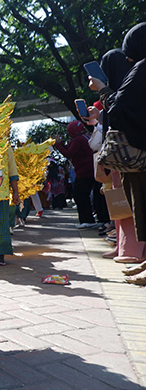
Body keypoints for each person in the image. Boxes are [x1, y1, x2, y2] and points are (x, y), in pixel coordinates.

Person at [89, 22, 146, 284]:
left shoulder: (142, 70)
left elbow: (120, 107)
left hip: (139, 152)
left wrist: (102, 88)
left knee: (140, 204)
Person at [54, 120, 109, 228]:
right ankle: (100, 218)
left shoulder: (78, 140)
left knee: (80, 196)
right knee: (93, 195)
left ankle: (87, 219)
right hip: (90, 170)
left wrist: (58, 145)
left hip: (84, 172)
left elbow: (69, 153)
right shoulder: (84, 137)